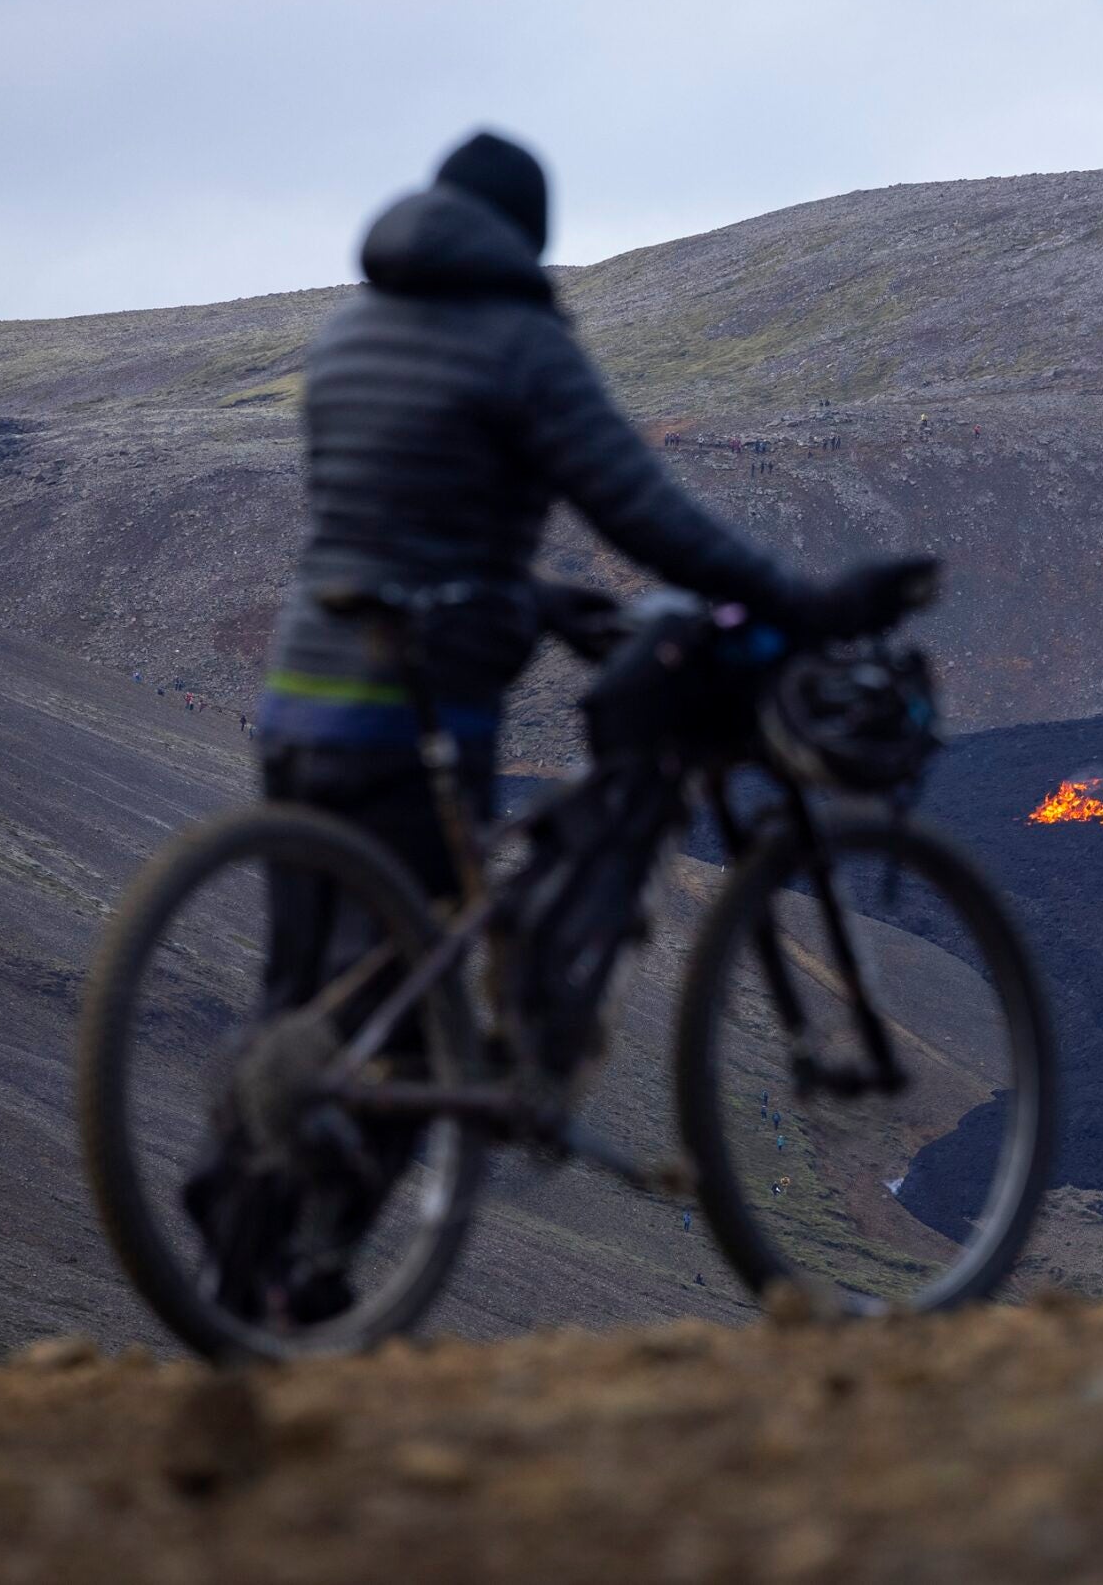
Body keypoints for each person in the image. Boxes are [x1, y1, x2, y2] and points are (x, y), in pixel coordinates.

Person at [199, 130, 933, 1324]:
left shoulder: (349, 334)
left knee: (312, 1000)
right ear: (523, 236)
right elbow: (640, 508)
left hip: (301, 698)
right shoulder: (515, 340)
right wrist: (796, 600)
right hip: (418, 709)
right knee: (417, 1021)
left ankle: (234, 1291)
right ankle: (298, 1282)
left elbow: (394, 519)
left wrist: (530, 597)